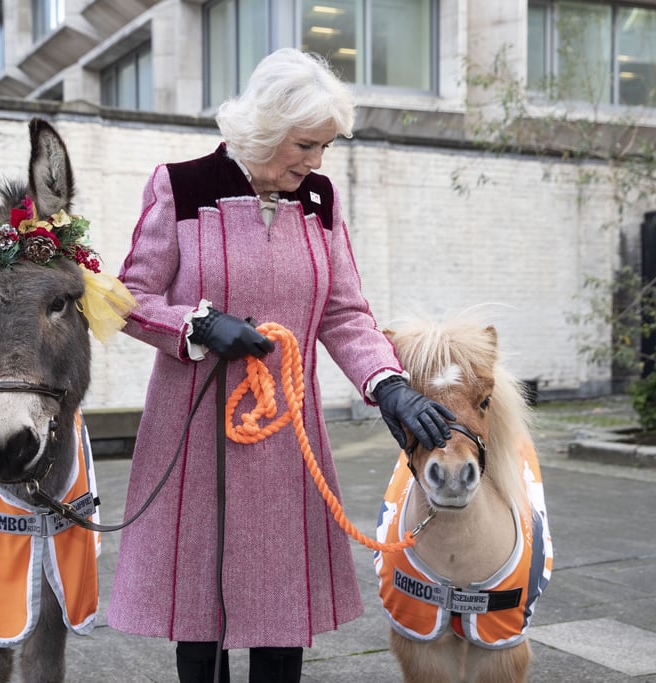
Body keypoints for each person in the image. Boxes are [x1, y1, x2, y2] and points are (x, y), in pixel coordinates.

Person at [107, 48, 455, 682]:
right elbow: (130, 300)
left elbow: (345, 313)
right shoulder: (180, 186)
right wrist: (199, 325)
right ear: (265, 129)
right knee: (200, 614)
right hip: (196, 436)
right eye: (306, 144)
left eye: (324, 146)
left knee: (280, 612)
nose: (316, 161)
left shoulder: (320, 198)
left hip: (286, 435)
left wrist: (390, 385)